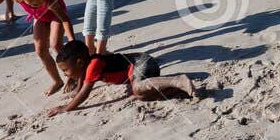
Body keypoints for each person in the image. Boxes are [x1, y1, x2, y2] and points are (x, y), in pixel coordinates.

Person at [46, 41, 195, 116]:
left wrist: (65, 108)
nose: (65, 74)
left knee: (137, 89)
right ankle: (179, 90)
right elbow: (81, 82)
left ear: (79, 62)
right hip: (140, 67)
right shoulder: (86, 66)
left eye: (65, 70)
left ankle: (177, 80)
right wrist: (75, 91)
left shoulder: (93, 65)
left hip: (142, 62)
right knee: (141, 96)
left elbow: (84, 94)